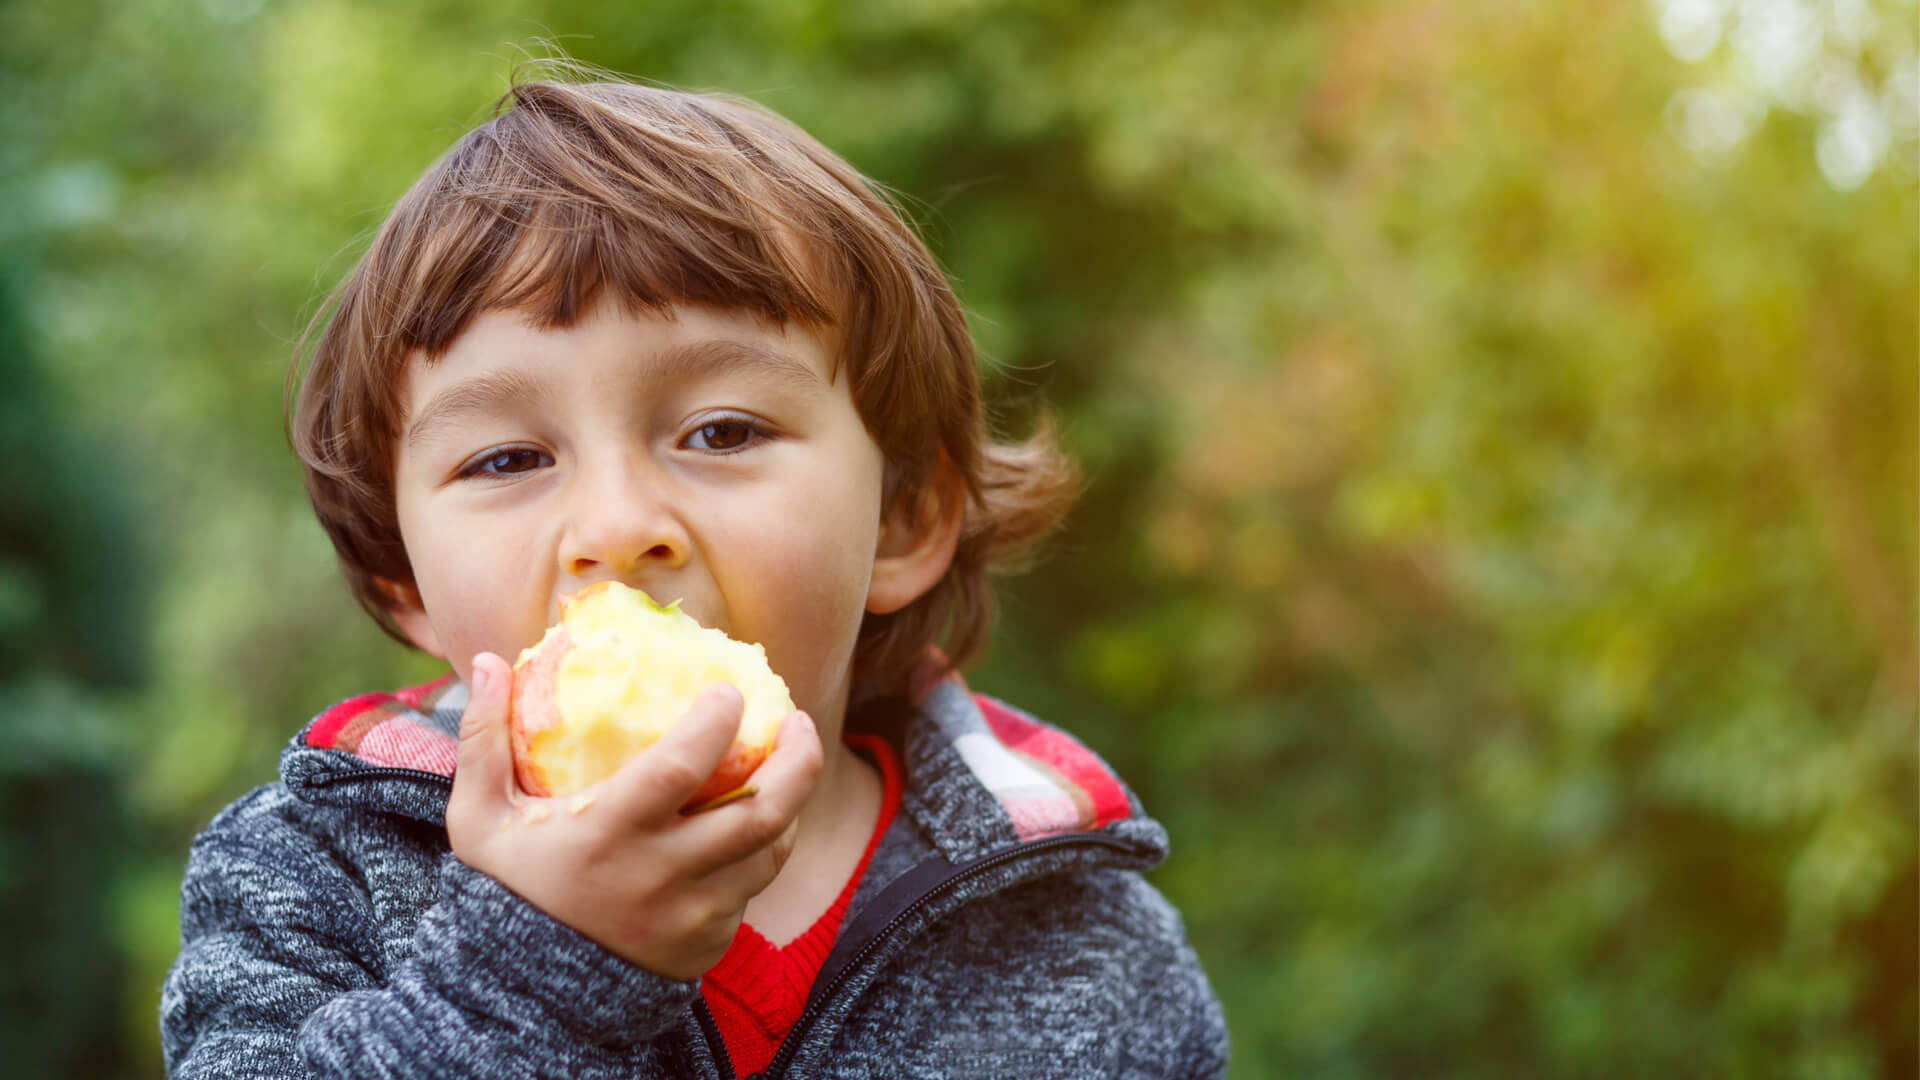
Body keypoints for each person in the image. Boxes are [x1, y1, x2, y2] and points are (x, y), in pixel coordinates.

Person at [161, 68, 1229, 1079]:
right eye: (509, 459)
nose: (618, 529)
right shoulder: (309, 877)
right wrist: (532, 967)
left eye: (721, 431)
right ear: (405, 582)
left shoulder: (1086, 938)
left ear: (902, 521)